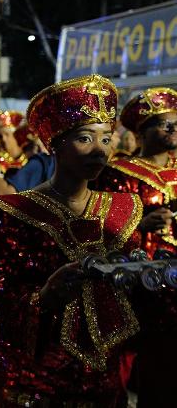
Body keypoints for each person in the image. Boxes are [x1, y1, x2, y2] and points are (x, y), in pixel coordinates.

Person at [0, 74, 143, 406]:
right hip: (30, 378)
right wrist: (44, 297)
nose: (99, 151)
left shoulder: (121, 210)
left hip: (102, 377)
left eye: (106, 138)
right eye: (85, 138)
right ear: (53, 144)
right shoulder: (9, 215)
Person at [91, 86, 177, 407]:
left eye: (176, 124)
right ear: (141, 132)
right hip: (132, 286)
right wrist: (140, 225)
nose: (172, 130)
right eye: (163, 124)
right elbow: (100, 228)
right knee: (120, 369)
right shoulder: (117, 173)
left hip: (173, 291)